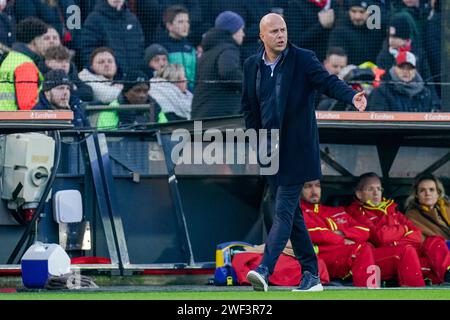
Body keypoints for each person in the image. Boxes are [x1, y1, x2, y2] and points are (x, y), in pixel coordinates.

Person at [243, 13, 367, 292]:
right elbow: (249, 108)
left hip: (297, 150)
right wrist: (256, 142)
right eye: (274, 31)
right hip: (269, 151)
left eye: (283, 29)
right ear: (262, 36)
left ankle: (264, 269)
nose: (280, 35)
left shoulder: (303, 58)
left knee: (283, 210)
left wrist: (351, 95)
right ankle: (311, 275)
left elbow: (328, 81)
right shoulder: (252, 65)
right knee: (293, 215)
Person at [346, 172, 450, 285]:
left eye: (379, 189)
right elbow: (380, 237)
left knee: (435, 240)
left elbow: (417, 235)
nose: (376, 193)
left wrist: (394, 238)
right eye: (370, 189)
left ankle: (447, 276)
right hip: (378, 257)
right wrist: (404, 229)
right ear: (359, 194)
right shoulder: (356, 212)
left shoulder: (391, 209)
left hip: (407, 250)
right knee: (406, 250)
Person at [300, 180, 376, 287]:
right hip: (320, 258)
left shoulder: (337, 211)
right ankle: (368, 293)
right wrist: (343, 241)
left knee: (366, 247)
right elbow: (317, 235)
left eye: (317, 186)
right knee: (362, 249)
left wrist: (341, 233)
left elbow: (365, 231)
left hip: (344, 254)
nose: (314, 191)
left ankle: (370, 292)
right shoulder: (298, 212)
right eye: (308, 186)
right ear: (299, 190)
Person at [191, 11, 245, 119]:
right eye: (241, 29)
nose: (243, 34)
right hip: (219, 116)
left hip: (201, 114)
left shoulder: (207, 53)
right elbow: (229, 72)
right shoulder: (228, 49)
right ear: (233, 31)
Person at [79, 0, 145, 75]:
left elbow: (140, 49)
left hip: (132, 80)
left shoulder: (132, 19)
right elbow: (87, 51)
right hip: (106, 80)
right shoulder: (94, 19)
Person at [0, 17, 48, 110]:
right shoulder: (25, 65)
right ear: (35, 40)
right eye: (44, 39)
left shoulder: (10, 59)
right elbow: (28, 105)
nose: (46, 44)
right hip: (17, 123)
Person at [95, 70, 166, 130]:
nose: (142, 95)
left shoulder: (156, 108)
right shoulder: (112, 109)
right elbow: (106, 137)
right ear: (126, 92)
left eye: (145, 91)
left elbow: (164, 132)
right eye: (137, 91)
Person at [368, 51, 435, 112]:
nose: (405, 71)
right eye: (401, 67)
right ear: (394, 68)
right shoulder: (382, 91)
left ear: (415, 71)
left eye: (410, 68)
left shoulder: (425, 93)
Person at [327, 0, 384, 66]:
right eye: (353, 11)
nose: (357, 17)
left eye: (362, 12)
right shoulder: (339, 31)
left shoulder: (378, 31)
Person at [157, 5, 196, 91]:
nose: (186, 25)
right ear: (169, 25)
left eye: (187, 22)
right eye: (181, 22)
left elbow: (195, 74)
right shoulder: (162, 48)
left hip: (191, 94)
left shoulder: (190, 47)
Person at [405, 174, 450, 243]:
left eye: (431, 189)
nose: (427, 193)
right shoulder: (412, 216)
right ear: (416, 195)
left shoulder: (447, 207)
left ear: (438, 193)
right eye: (422, 190)